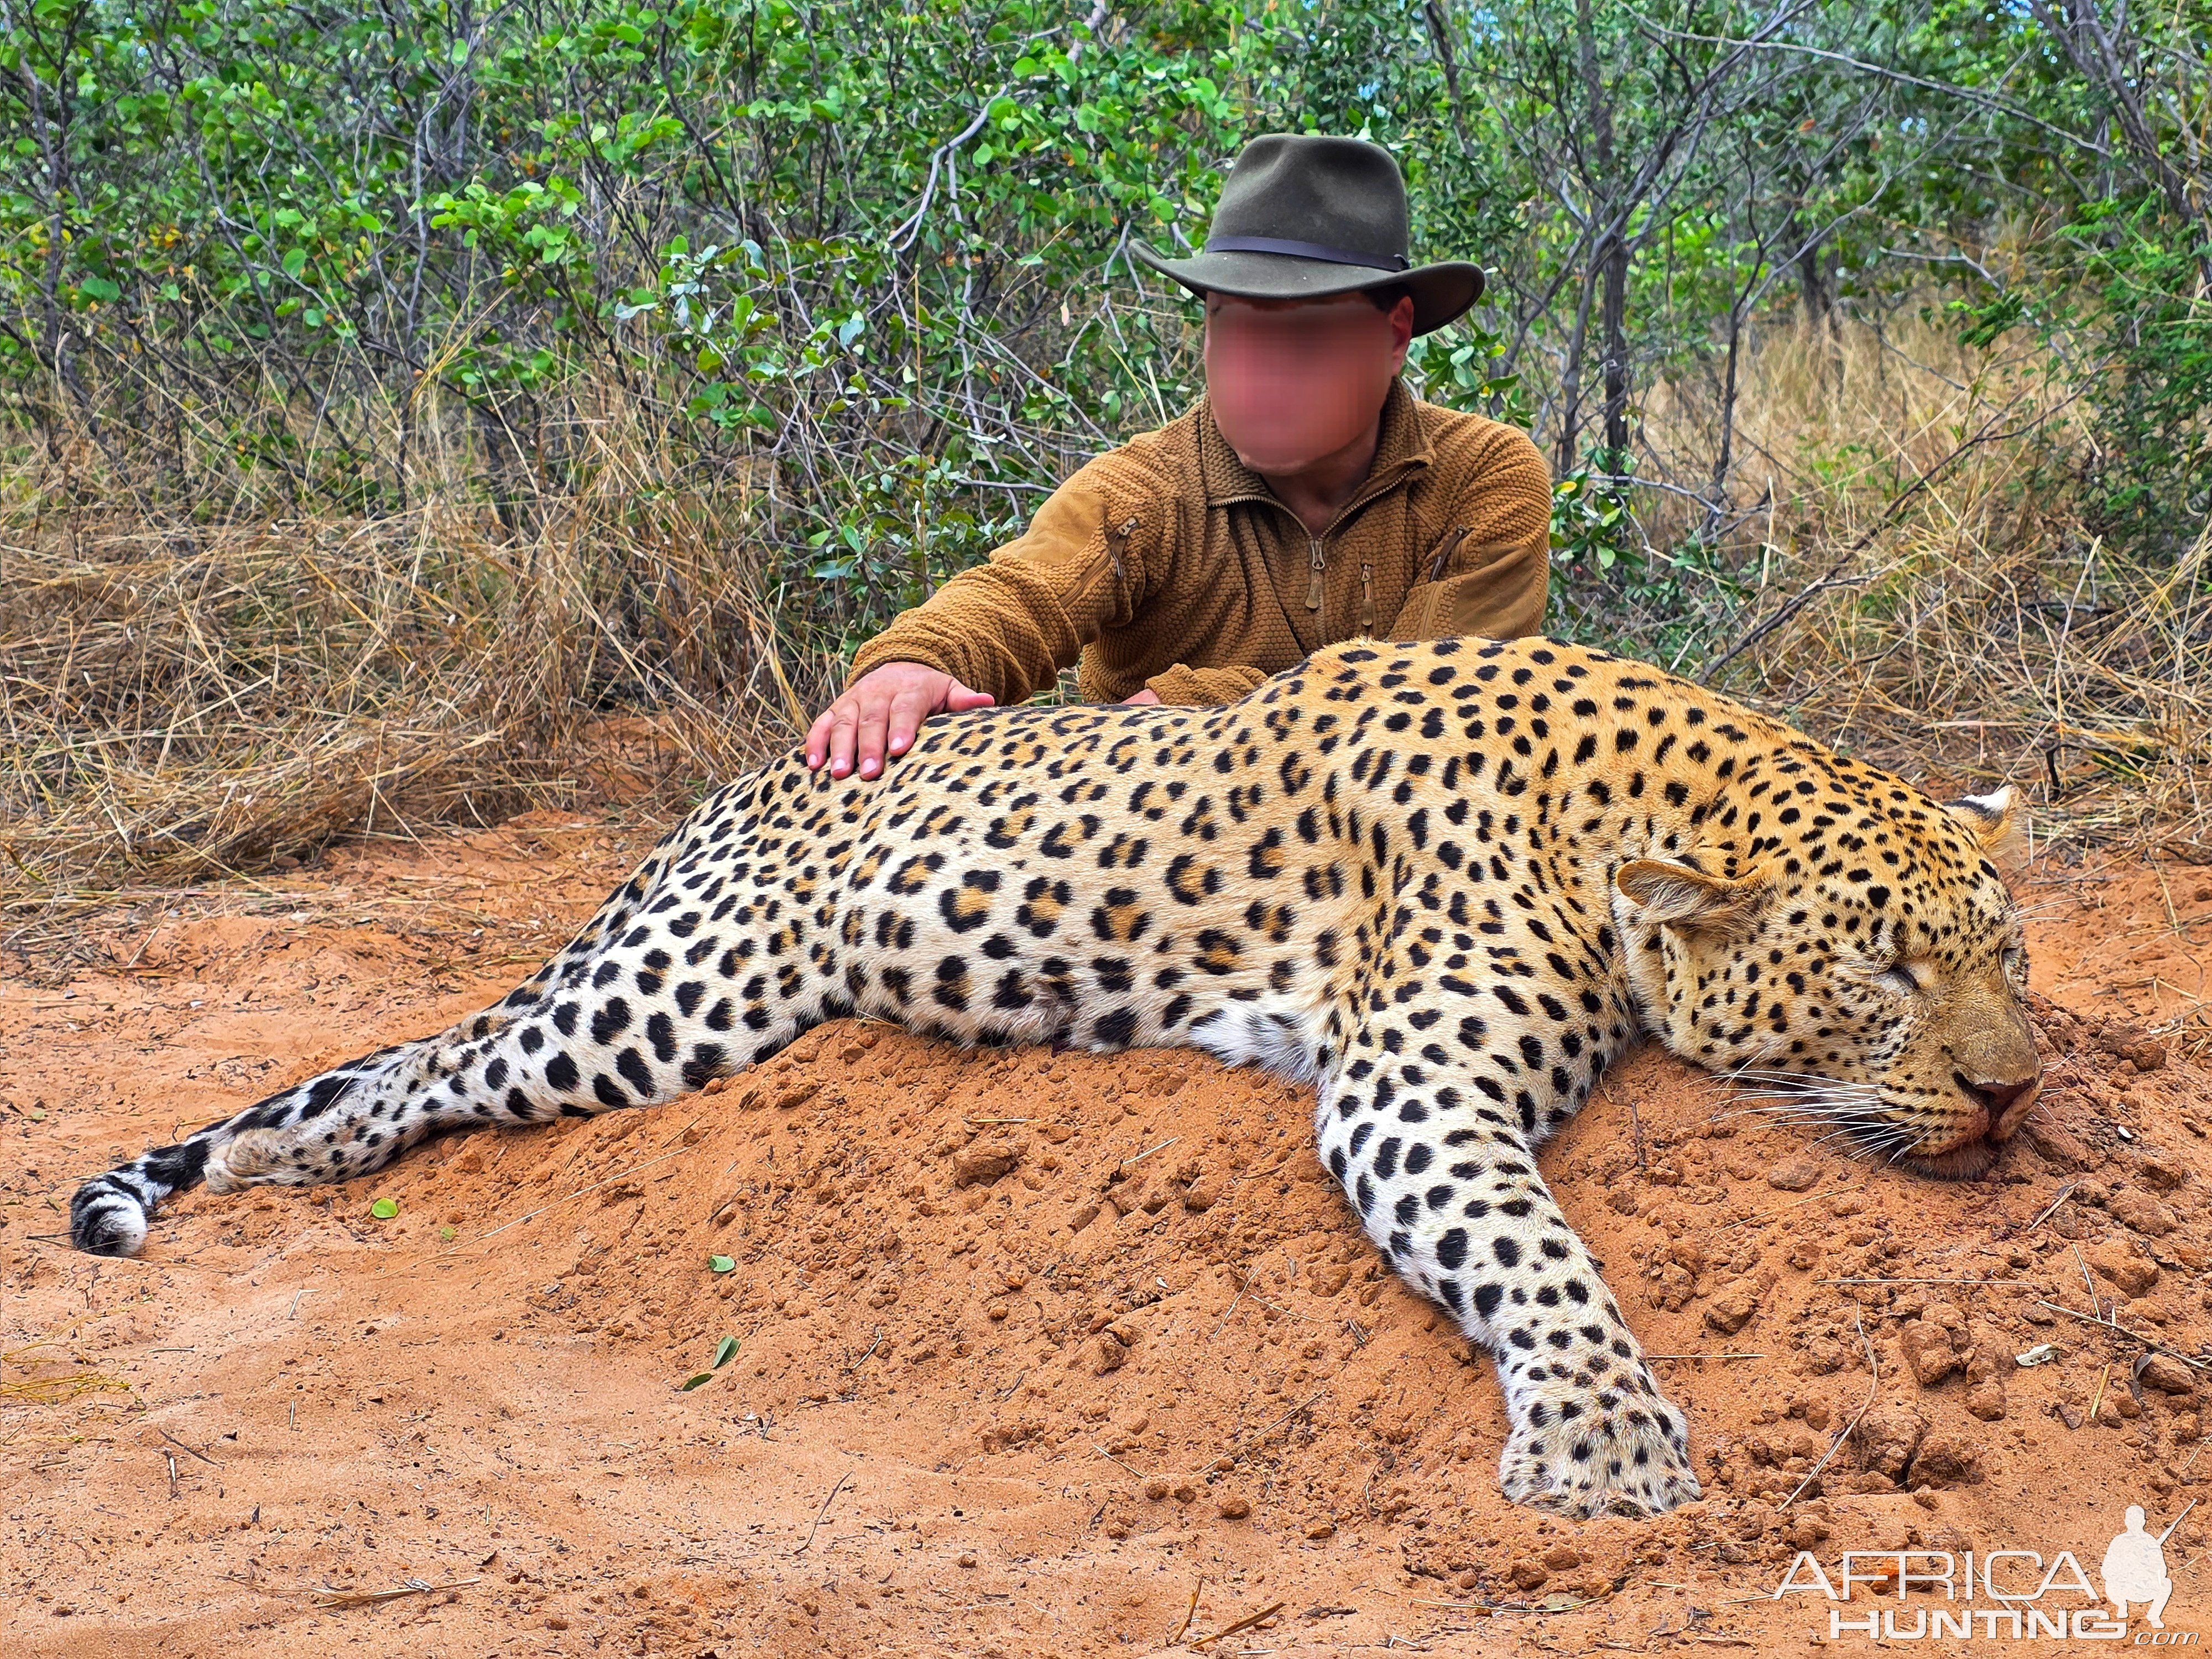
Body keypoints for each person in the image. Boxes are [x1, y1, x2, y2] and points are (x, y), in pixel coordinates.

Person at [806, 133, 1554, 780]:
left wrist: (1194, 708)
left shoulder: (1485, 475)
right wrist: (916, 661)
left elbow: (1428, 703)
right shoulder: (1143, 491)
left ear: (1393, 336)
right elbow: (1022, 591)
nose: (1255, 375)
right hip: (1154, 849)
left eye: (1304, 336)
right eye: (1232, 327)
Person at [2101, 1504, 2175, 1629]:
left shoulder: (2150, 1541)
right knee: (2110, 1583)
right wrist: (2122, 1572)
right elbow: (2106, 1568)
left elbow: (2161, 1568)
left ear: (2143, 1522)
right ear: (2126, 1521)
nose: (2134, 1523)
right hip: (2123, 1587)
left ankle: (2154, 1616)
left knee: (2166, 1583)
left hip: (2144, 1588)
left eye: (2137, 1520)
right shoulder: (2119, 1541)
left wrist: (2148, 1571)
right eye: (2131, 1519)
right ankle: (2122, 1605)